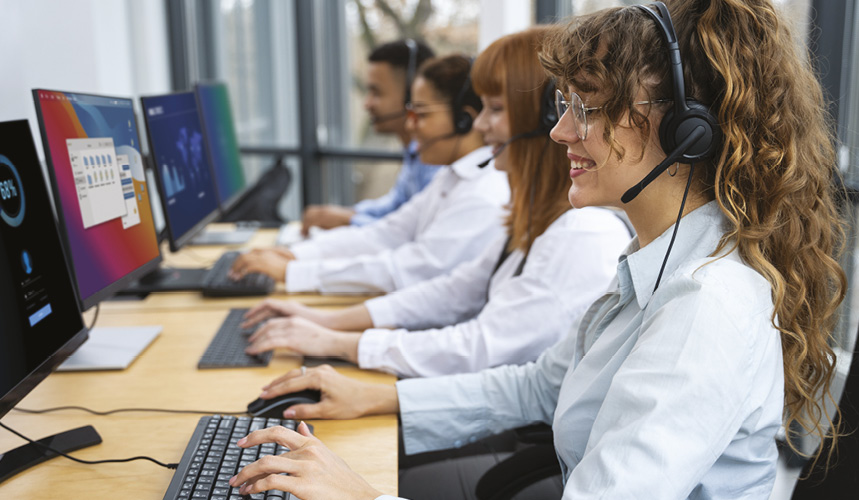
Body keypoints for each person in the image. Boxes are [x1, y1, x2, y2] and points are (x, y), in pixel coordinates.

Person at [228, 1, 847, 498]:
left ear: (687, 129)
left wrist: (360, 495)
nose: (560, 131)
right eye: (563, 105)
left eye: (589, 107)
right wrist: (376, 393)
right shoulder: (656, 261)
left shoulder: (706, 305)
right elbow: (540, 386)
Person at [236, 27, 630, 379]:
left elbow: (479, 343)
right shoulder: (534, 220)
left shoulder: (577, 234)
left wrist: (338, 340)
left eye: (494, 110)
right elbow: (454, 290)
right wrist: (326, 323)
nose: (478, 125)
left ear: (541, 123)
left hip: (503, 430)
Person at [230, 55, 510, 293]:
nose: (410, 127)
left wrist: (295, 272)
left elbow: (410, 269)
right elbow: (384, 235)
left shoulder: (482, 194)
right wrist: (294, 255)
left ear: (465, 120)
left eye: (421, 115)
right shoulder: (451, 176)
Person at [301, 39, 440, 234]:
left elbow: (412, 234)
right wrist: (346, 213)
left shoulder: (436, 161)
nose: (367, 104)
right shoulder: (414, 152)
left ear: (412, 96)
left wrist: (348, 219)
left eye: (376, 92)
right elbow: (394, 206)